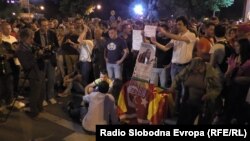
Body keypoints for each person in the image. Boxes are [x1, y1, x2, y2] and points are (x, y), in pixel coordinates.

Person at [16, 28, 45, 118]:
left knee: (41, 91)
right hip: (32, 73)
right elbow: (27, 65)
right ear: (24, 38)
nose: (32, 40)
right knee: (35, 93)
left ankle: (39, 107)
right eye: (31, 38)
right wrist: (36, 55)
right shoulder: (21, 49)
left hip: (38, 71)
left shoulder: (28, 46)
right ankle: (34, 112)